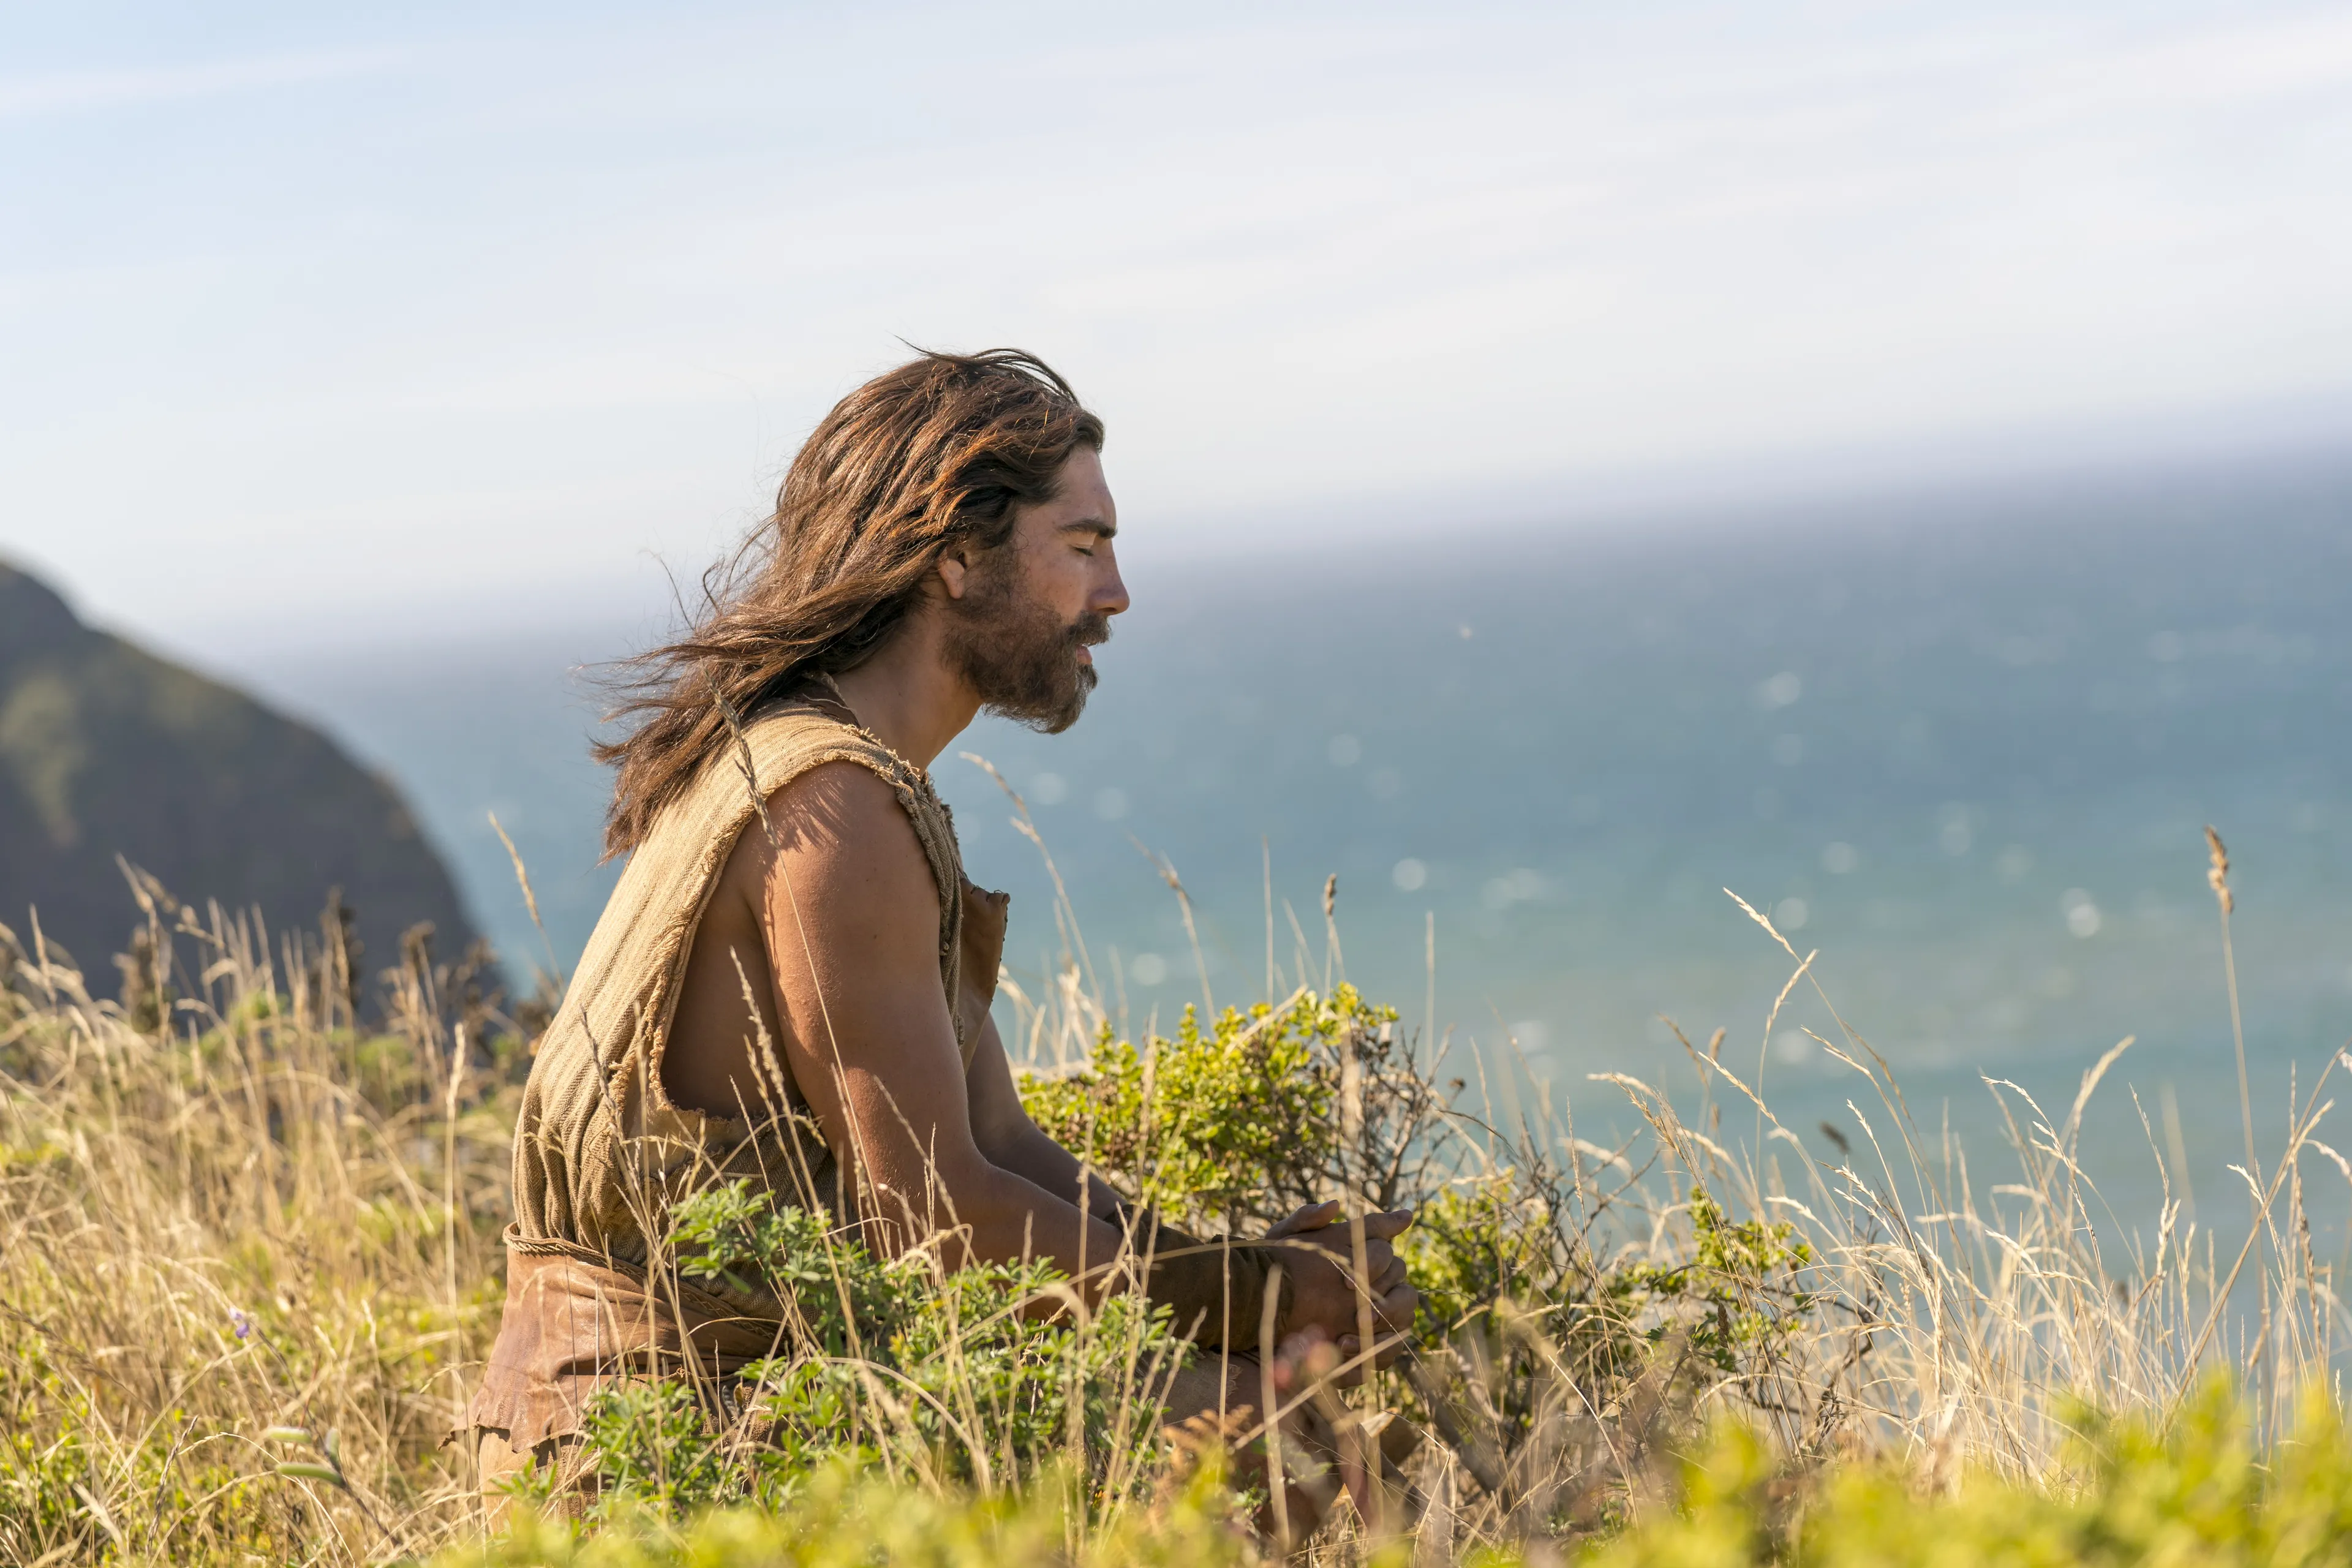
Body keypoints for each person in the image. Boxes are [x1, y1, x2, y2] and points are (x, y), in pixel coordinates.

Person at [465, 349, 1417, 1520]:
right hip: (663, 1456)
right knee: (1304, 1464)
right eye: (1082, 547)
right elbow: (935, 1220)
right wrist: (1263, 1300)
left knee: (1283, 1409)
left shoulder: (842, 776)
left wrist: (1250, 1286)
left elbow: (999, 1143)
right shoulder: (831, 808)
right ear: (956, 552)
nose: (1114, 594)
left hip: (745, 1398)